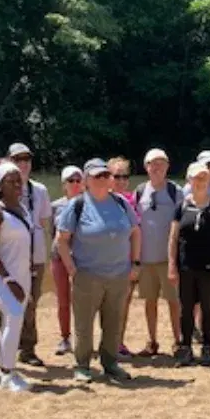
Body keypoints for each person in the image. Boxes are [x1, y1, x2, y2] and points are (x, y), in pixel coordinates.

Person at [57, 158, 141, 384]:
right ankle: (82, 366)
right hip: (87, 275)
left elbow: (135, 232)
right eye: (97, 176)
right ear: (86, 180)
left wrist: (135, 263)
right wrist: (72, 269)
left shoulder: (121, 203)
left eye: (106, 175)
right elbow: (61, 240)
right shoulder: (77, 205)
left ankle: (110, 364)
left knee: (113, 323)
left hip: (118, 275)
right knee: (84, 325)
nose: (103, 179)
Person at [0, 142, 50, 371]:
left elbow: (42, 223)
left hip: (33, 256)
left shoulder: (39, 190)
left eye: (27, 160)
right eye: (18, 160)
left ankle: (27, 350)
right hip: (7, 262)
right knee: (3, 309)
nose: (23, 164)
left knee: (30, 305)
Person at [0, 160, 34, 392]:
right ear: (0, 185)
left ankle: (7, 369)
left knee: (14, 321)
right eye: (11, 182)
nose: (17, 185)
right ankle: (6, 373)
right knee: (13, 315)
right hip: (1, 274)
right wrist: (9, 280)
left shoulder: (23, 208)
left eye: (19, 181)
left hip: (22, 272)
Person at [169, 162, 210, 366]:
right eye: (196, 178)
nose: (200, 181)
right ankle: (185, 347)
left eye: (204, 177)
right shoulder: (182, 206)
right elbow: (173, 237)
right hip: (186, 266)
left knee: (207, 307)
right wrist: (172, 265)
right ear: (189, 180)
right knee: (185, 308)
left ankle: (206, 347)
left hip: (209, 267)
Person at [133, 148, 182, 356]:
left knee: (174, 301)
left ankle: (178, 341)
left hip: (168, 258)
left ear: (167, 167)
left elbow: (182, 223)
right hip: (146, 258)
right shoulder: (139, 191)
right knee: (149, 301)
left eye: (161, 163)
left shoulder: (175, 191)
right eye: (153, 163)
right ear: (146, 167)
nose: (157, 167)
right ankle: (152, 341)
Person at [109, 156, 142, 358]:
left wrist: (136, 262)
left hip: (127, 260)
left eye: (125, 176)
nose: (121, 181)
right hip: (105, 262)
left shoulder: (132, 201)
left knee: (123, 304)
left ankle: (118, 342)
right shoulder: (100, 199)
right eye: (117, 176)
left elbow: (137, 232)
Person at [50, 166, 84, 356]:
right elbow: (51, 234)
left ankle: (82, 337)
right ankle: (65, 337)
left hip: (82, 257)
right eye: (71, 181)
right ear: (64, 185)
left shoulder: (89, 204)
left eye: (79, 180)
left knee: (82, 300)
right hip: (58, 258)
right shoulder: (55, 206)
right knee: (63, 299)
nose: (75, 184)